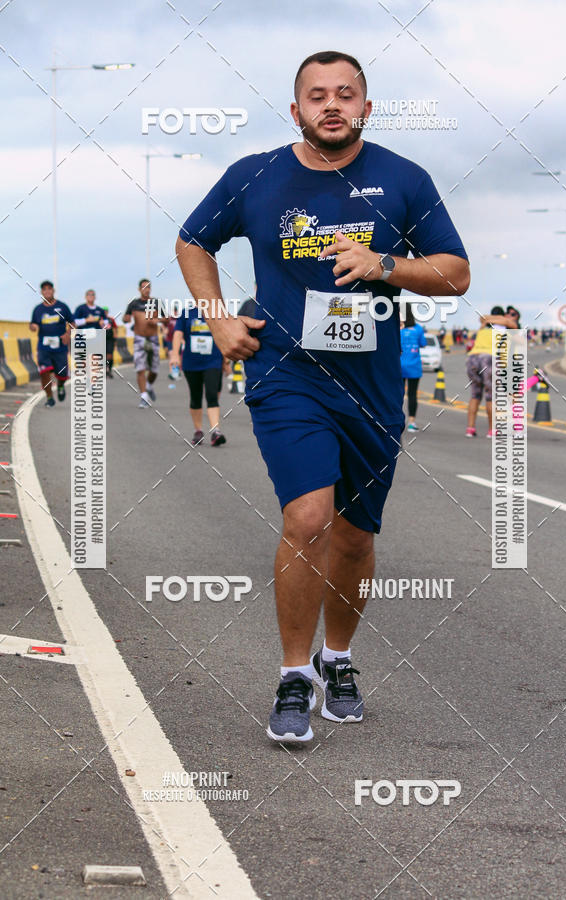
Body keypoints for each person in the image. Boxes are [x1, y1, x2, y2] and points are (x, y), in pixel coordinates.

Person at [176, 50, 469, 743]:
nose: (330, 105)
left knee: (354, 536)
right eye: (316, 95)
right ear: (296, 109)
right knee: (308, 516)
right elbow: (194, 240)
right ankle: (291, 676)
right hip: (287, 373)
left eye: (345, 94)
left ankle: (336, 659)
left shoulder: (403, 179)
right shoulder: (254, 176)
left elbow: (454, 273)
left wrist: (387, 264)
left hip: (369, 382)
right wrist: (216, 315)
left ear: (365, 107)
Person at [170, 306, 229, 446]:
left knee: (212, 394)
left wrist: (226, 358)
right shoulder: (187, 313)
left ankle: (216, 431)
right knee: (195, 396)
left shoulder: (218, 312)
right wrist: (175, 355)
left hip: (213, 361)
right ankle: (198, 431)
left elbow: (224, 334)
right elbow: (178, 334)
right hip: (192, 362)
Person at [465, 306, 516, 438]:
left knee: (475, 394)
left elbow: (482, 318)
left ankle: (470, 428)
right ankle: (492, 430)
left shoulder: (482, 328)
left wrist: (487, 320)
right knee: (491, 396)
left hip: (473, 358)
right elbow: (513, 325)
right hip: (489, 359)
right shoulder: (506, 331)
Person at [122, 279, 167, 407]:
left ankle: (149, 385)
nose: (146, 289)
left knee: (154, 369)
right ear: (139, 289)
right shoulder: (134, 304)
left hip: (153, 338)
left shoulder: (157, 302)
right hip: (139, 339)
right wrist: (126, 319)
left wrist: (157, 320)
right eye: (143, 287)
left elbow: (167, 319)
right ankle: (144, 396)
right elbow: (125, 318)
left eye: (148, 287)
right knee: (140, 368)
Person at [29, 280, 74, 407]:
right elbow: (33, 324)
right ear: (42, 292)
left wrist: (67, 334)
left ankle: (60, 386)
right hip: (44, 347)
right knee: (44, 372)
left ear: (53, 291)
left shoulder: (62, 307)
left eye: (49, 289)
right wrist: (32, 327)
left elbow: (72, 323)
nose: (47, 291)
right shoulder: (38, 309)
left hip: (60, 347)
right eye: (44, 289)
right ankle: (49, 397)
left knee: (61, 375)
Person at [400, 303, 426, 432]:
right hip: (414, 366)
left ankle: (398, 420)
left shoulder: (397, 328)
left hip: (399, 366)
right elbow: (423, 343)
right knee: (412, 394)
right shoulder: (418, 329)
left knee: (398, 394)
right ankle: (411, 422)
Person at [102, 307, 117, 378]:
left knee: (110, 355)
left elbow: (114, 329)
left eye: (106, 311)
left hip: (110, 339)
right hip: (101, 339)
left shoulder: (111, 319)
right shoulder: (99, 320)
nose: (105, 312)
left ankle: (109, 369)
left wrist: (115, 339)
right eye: (104, 311)